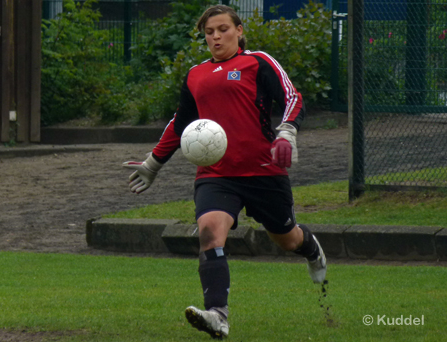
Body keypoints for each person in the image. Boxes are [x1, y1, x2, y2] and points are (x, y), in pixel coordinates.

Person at [123, 5, 326, 339]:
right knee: (209, 233)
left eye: (222, 29)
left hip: (263, 173)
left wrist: (287, 132)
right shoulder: (195, 75)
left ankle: (310, 247)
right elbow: (181, 124)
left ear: (239, 30)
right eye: (209, 32)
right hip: (216, 175)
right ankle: (218, 314)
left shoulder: (258, 62)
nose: (216, 37)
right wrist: (153, 163)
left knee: (286, 237)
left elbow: (293, 98)